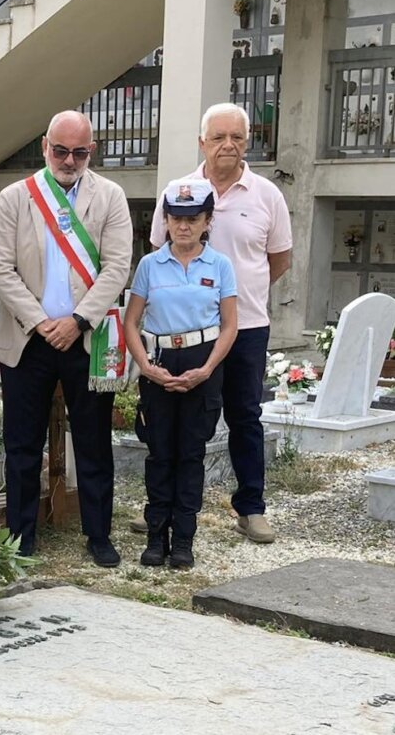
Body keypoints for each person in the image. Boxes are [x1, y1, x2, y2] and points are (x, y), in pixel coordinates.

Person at [136, 102, 292, 544]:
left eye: (237, 138)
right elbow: (157, 255)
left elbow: (279, 260)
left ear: (248, 142)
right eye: (219, 137)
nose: (228, 145)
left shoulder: (267, 195)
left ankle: (250, 507)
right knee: (175, 421)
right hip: (183, 334)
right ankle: (162, 510)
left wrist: (238, 300)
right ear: (201, 142)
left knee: (245, 415)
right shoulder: (179, 190)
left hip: (244, 329)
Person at [0, 110, 132, 565]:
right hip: (28, 337)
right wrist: (41, 320)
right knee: (22, 444)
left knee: (92, 442)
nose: (70, 160)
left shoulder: (110, 196)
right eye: (61, 150)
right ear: (45, 146)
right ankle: (23, 535)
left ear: (93, 150)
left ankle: (98, 534)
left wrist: (78, 320)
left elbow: (117, 267)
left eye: (80, 152)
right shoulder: (15, 197)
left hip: (85, 340)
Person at [125, 179, 238, 569]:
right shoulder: (149, 264)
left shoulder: (220, 265)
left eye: (193, 218)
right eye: (176, 218)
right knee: (159, 454)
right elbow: (131, 321)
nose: (184, 226)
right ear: (166, 221)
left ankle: (184, 540)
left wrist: (207, 369)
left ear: (207, 220)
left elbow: (229, 326)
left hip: (202, 361)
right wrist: (146, 367)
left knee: (190, 455)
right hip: (159, 361)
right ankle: (157, 536)